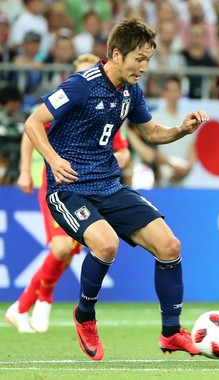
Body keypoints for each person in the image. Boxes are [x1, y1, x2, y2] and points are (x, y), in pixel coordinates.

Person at [22, 17, 208, 361]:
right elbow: (33, 121)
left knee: (169, 245)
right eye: (140, 58)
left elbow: (151, 133)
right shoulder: (82, 84)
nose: (145, 67)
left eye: (149, 59)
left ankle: (171, 333)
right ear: (117, 54)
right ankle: (84, 316)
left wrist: (182, 130)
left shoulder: (130, 91)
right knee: (106, 244)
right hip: (69, 189)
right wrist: (52, 158)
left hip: (109, 185)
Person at [4, 54, 130, 334]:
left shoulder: (110, 106)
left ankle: (23, 306)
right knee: (62, 248)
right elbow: (31, 129)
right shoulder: (68, 100)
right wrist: (25, 170)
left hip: (94, 186)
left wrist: (119, 159)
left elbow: (122, 148)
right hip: (60, 185)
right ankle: (34, 303)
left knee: (69, 251)